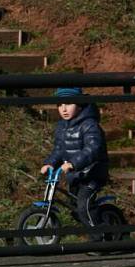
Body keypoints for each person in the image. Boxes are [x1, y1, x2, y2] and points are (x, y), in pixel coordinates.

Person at [40, 87, 108, 233]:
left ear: (79, 105)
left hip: (92, 174)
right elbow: (59, 150)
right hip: (76, 175)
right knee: (75, 209)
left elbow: (93, 148)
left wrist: (73, 163)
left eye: (69, 104)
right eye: (60, 105)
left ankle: (101, 239)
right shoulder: (61, 127)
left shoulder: (89, 125)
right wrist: (49, 163)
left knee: (84, 207)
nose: (63, 109)